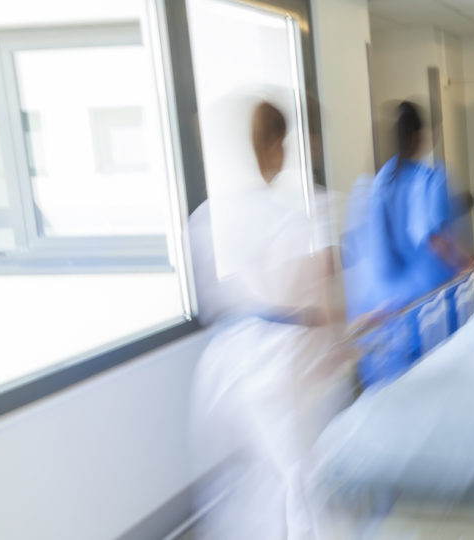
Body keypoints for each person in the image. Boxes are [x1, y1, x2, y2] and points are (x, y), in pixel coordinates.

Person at [191, 100, 352, 540]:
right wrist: (338, 336)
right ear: (280, 144)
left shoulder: (207, 216)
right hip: (277, 365)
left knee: (261, 478)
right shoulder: (293, 217)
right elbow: (302, 299)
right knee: (298, 476)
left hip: (225, 367)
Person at [342, 101, 469, 387]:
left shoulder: (371, 187)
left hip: (380, 319)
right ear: (419, 137)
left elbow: (362, 256)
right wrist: (468, 264)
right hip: (422, 315)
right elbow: (436, 241)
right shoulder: (429, 180)